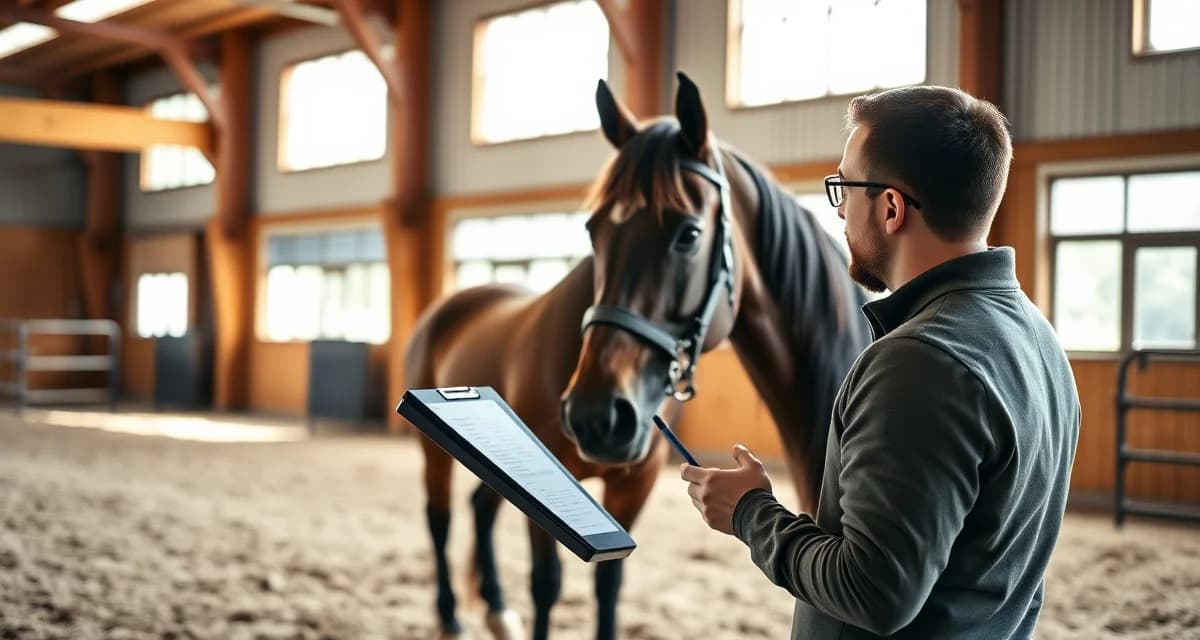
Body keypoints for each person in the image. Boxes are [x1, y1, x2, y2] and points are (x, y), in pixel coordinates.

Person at [681, 85, 1080, 639]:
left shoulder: (918, 363)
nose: (840, 210)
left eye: (844, 187)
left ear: (891, 207)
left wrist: (750, 513)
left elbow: (873, 592)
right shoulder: (1037, 338)